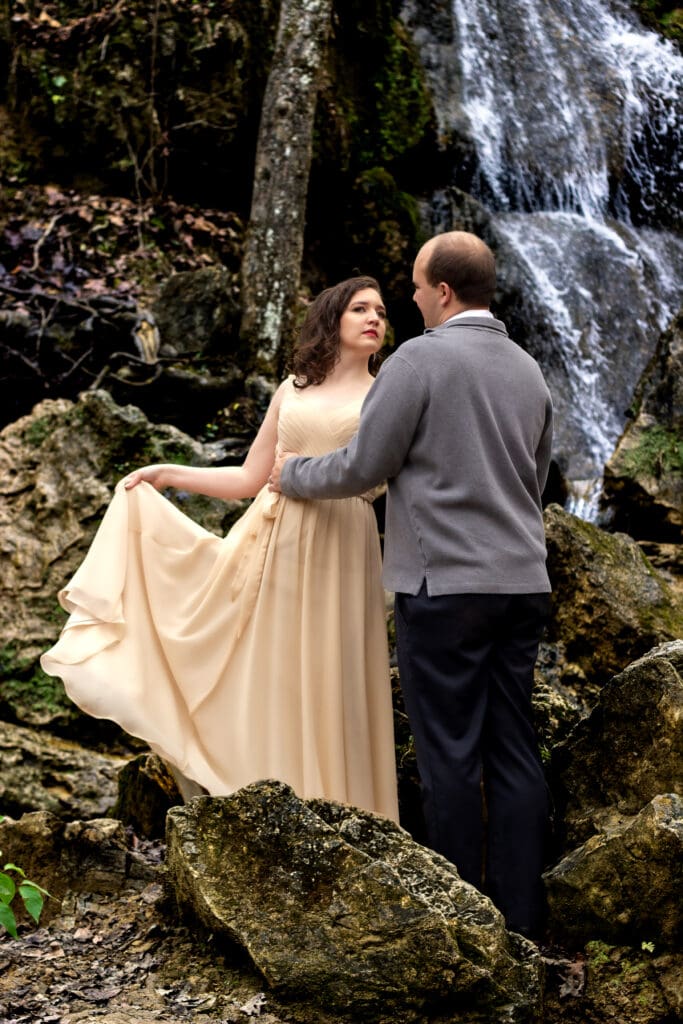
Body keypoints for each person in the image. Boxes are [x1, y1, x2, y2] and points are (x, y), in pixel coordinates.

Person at [269, 231, 553, 939]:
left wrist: (291, 475)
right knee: (513, 750)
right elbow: (539, 478)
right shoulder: (529, 370)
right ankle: (521, 922)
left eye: (417, 287)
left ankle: (460, 925)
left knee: (449, 754)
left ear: (444, 292)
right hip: (522, 582)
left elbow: (364, 465)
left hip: (444, 586)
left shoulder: (418, 360)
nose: (412, 298)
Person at [41, 276, 399, 822]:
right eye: (359, 308)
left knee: (333, 677)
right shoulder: (293, 389)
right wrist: (169, 473)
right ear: (333, 320)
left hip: (343, 545)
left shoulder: (387, 394)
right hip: (270, 541)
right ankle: (268, 796)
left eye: (379, 310)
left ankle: (338, 815)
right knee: (272, 670)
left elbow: (379, 478)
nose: (374, 317)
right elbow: (250, 476)